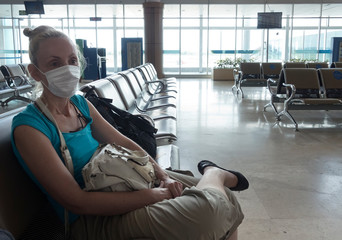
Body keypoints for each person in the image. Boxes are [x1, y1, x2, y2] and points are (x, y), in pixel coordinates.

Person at [11, 25, 248, 240]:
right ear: (35, 72)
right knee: (207, 212)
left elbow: (122, 141)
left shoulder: (80, 104)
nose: (68, 69)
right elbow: (78, 202)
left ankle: (217, 178)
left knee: (225, 196)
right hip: (93, 220)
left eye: (72, 60)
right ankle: (214, 173)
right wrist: (158, 195)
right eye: (55, 63)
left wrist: (162, 175)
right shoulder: (30, 127)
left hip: (125, 181)